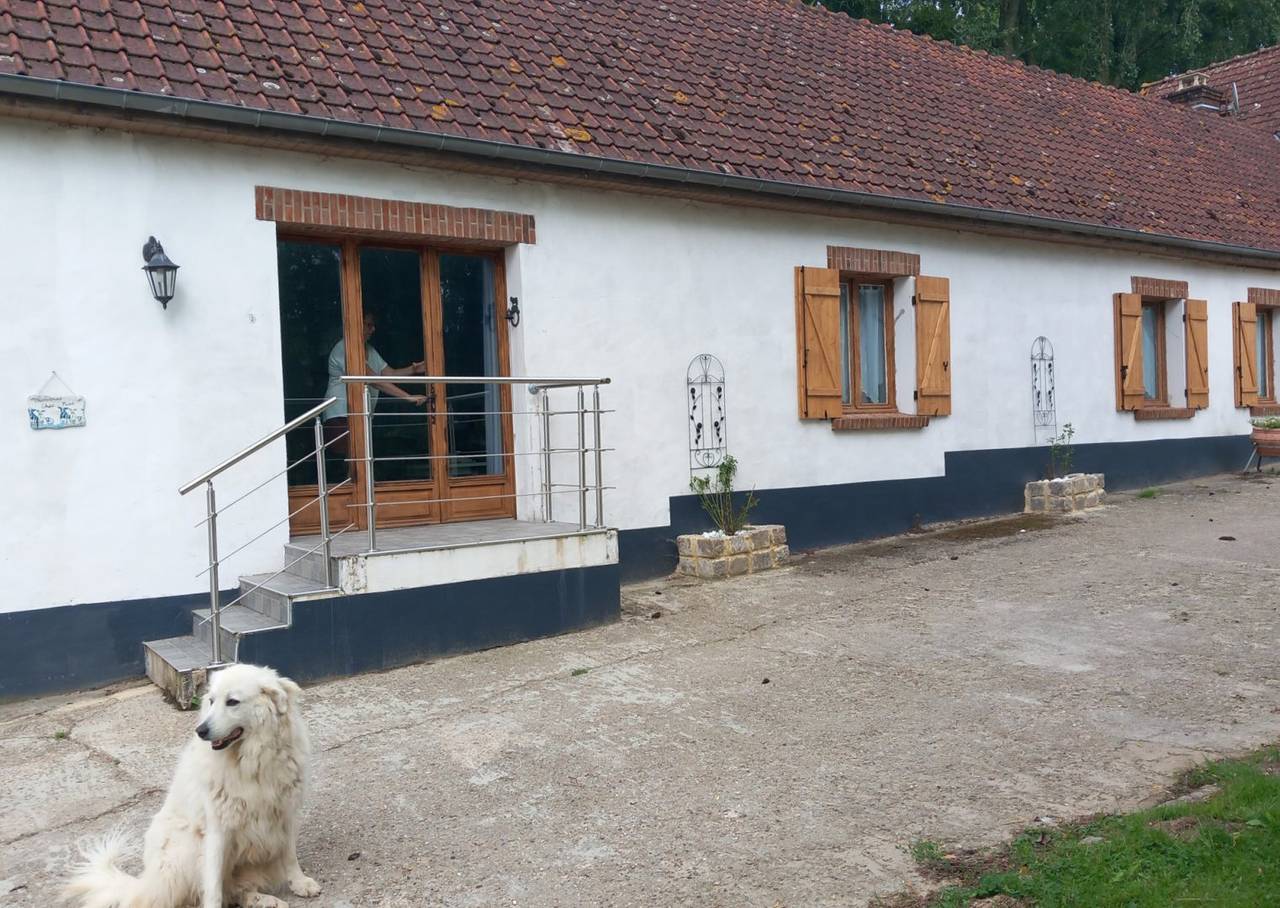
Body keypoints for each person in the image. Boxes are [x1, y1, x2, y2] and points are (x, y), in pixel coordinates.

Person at [321, 311, 426, 477]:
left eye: (373, 325)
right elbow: (371, 379)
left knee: (358, 464)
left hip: (358, 414)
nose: (373, 329)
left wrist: (415, 369)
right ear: (356, 324)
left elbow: (389, 374)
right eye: (368, 324)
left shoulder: (369, 349)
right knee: (352, 465)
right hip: (341, 415)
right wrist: (407, 397)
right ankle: (353, 499)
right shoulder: (346, 348)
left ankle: (361, 496)